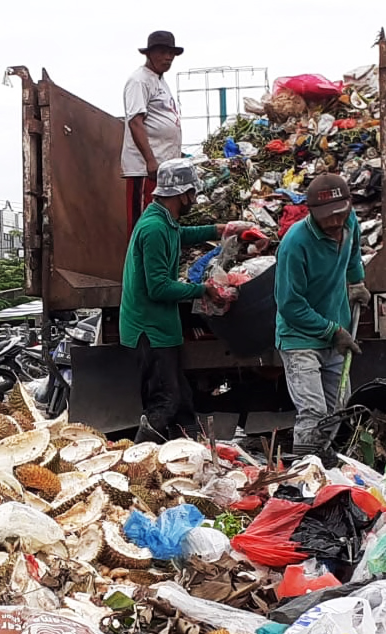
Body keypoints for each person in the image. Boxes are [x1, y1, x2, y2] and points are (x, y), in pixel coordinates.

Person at [121, 158, 253, 443]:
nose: (194, 199)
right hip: (150, 330)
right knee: (165, 402)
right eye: (193, 193)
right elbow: (158, 288)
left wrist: (222, 230)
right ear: (183, 195)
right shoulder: (154, 228)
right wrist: (203, 289)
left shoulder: (163, 222)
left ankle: (188, 454)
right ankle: (136, 460)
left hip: (161, 328)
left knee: (182, 402)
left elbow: (182, 235)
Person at [274, 173, 370, 456]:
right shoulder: (295, 244)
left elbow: (353, 253)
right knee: (314, 413)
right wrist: (332, 331)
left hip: (334, 334)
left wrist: (357, 281)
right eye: (327, 217)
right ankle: (305, 471)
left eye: (340, 214)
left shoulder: (349, 222)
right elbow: (290, 305)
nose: (335, 222)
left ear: (349, 205)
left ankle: (330, 468)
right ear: (312, 212)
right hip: (300, 339)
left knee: (339, 411)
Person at [122, 31, 184, 235]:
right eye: (162, 52)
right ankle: (138, 258)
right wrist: (150, 160)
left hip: (162, 168)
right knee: (144, 224)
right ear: (149, 54)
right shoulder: (139, 80)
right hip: (146, 169)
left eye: (171, 53)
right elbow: (135, 122)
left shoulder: (160, 81)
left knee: (160, 222)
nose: (168, 57)